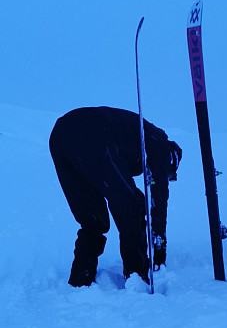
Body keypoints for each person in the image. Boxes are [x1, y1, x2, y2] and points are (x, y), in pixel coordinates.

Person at [49, 106, 182, 287]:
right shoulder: (160, 145)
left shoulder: (141, 137)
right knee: (132, 205)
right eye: (169, 175)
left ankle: (80, 281)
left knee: (94, 220)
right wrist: (159, 255)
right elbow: (159, 201)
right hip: (92, 131)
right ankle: (137, 277)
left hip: (61, 136)